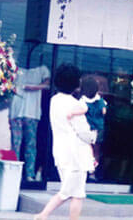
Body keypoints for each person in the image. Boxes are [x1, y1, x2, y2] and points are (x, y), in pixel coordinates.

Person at [35, 64, 97, 220]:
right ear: (76, 84)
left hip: (61, 152)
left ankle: (44, 215)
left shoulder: (54, 100)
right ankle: (43, 215)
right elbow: (84, 134)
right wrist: (94, 136)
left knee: (72, 191)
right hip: (76, 154)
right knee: (75, 193)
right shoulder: (74, 104)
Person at [10, 56, 50, 182]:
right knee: (15, 144)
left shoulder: (43, 69)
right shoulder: (15, 68)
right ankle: (14, 173)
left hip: (32, 112)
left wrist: (31, 87)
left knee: (30, 144)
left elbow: (47, 84)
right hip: (16, 110)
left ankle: (29, 174)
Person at [79, 76, 106, 180]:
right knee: (95, 151)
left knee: (83, 148)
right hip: (97, 128)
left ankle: (83, 171)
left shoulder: (82, 100)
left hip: (85, 128)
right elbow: (104, 112)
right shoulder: (100, 100)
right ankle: (92, 172)